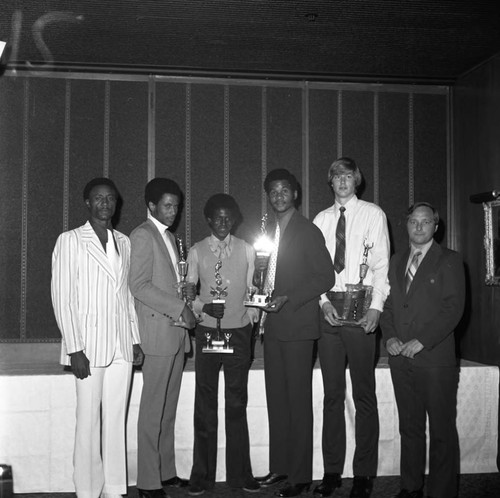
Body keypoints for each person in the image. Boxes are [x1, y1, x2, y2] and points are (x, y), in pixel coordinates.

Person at [51, 177, 144, 498]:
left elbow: (127, 297)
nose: (105, 203)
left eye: (110, 199)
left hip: (121, 345)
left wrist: (134, 337)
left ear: (116, 204)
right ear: (88, 203)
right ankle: (89, 491)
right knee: (88, 422)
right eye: (98, 198)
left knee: (116, 418)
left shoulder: (125, 242)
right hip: (87, 348)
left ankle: (115, 488)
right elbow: (63, 298)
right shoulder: (71, 240)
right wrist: (74, 348)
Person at [312, 157, 390, 498]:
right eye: (337, 177)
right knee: (331, 396)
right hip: (329, 309)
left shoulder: (374, 214)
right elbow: (313, 269)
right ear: (330, 183)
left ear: (357, 180)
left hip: (361, 310)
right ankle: (332, 472)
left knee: (363, 395)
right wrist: (323, 302)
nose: (343, 181)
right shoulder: (321, 219)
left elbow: (381, 267)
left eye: (348, 176)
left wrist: (376, 309)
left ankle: (364, 474)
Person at [255, 169, 335, 498]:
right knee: (277, 400)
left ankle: (300, 476)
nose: (278, 196)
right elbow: (266, 275)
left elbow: (325, 278)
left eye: (284, 190)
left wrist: (291, 297)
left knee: (298, 402)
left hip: (298, 326)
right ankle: (281, 467)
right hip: (272, 326)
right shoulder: (268, 232)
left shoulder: (308, 230)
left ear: (295, 194)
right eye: (273, 191)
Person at [380, 202, 465, 498]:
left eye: (425, 221)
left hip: (434, 360)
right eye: (414, 221)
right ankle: (411, 486)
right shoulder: (395, 260)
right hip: (400, 359)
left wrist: (422, 341)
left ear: (435, 226)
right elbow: (388, 306)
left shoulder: (450, 260)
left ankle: (442, 493)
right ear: (406, 224)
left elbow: (453, 309)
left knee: (441, 431)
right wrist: (388, 337)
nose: (419, 226)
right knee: (410, 428)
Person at [184, 193, 260, 496]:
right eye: (217, 217)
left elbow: (255, 289)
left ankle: (240, 475)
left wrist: (251, 318)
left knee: (237, 404)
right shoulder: (196, 251)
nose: (223, 222)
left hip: (238, 334)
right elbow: (187, 291)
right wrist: (203, 307)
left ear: (235, 219)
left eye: (228, 217)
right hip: (206, 333)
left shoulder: (247, 249)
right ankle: (201, 476)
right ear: (208, 219)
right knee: (204, 405)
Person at [129, 178, 196, 498]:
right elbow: (138, 285)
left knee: (168, 409)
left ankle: (165, 472)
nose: (174, 211)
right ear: (151, 206)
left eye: (177, 206)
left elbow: (168, 282)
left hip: (175, 336)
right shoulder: (142, 235)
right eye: (168, 205)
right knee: (152, 411)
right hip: (156, 335)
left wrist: (185, 291)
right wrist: (179, 307)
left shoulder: (169, 237)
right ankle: (147, 481)